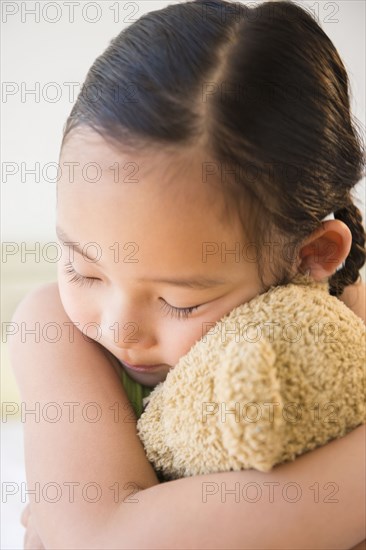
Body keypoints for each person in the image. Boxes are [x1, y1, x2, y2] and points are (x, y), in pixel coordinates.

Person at [9, 0, 366, 548]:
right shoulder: (55, 328)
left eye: (179, 302)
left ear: (310, 257)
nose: (121, 330)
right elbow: (103, 539)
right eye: (82, 270)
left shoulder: (343, 317)